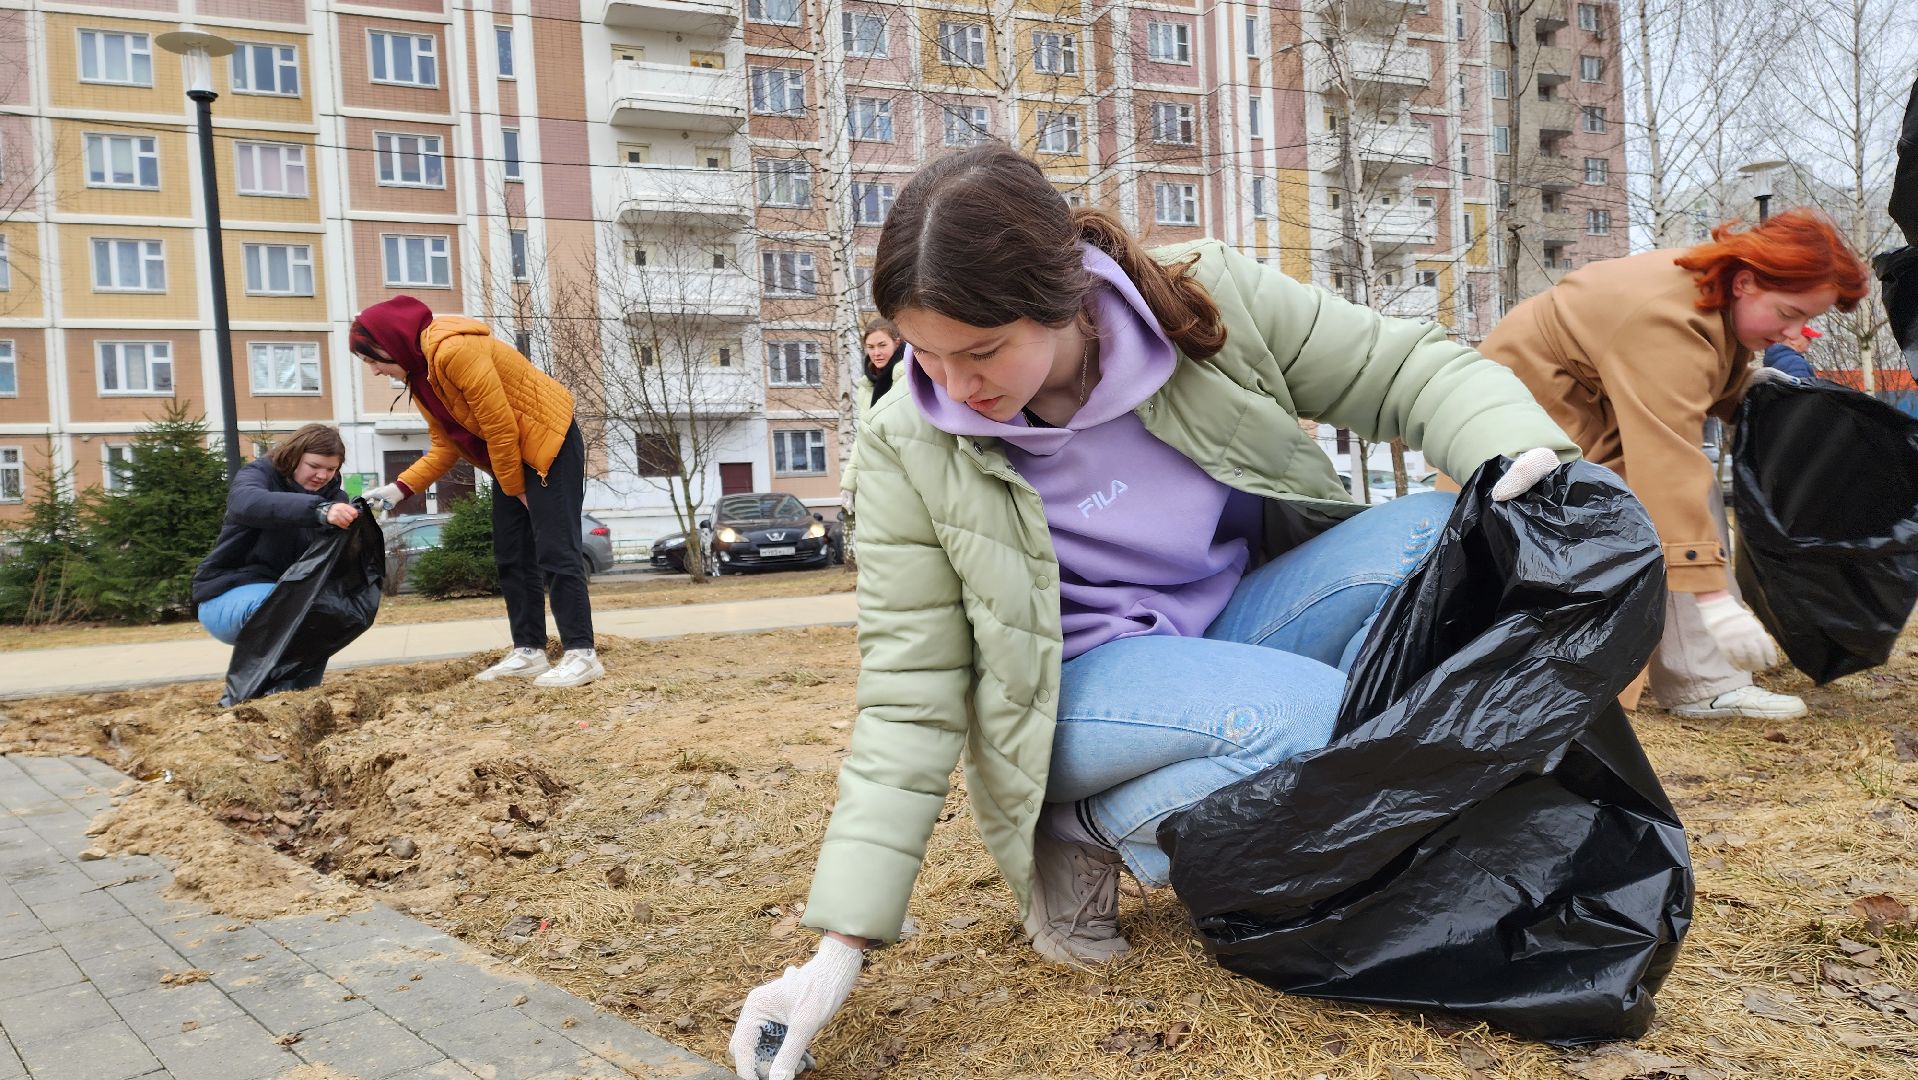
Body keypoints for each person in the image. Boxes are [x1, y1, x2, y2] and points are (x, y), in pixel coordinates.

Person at [727, 145, 1579, 1080]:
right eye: (923, 351)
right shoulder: (907, 442)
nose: (953, 385)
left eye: (980, 350)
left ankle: (1348, 827)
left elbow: (1405, 371)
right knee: (1306, 723)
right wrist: (838, 950)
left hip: (1230, 622)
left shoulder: (1202, 301)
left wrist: (1522, 456)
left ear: (1062, 297)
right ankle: (1085, 830)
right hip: (1072, 694)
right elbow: (908, 693)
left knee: (1431, 538)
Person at [1475, 209, 1870, 720]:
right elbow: (1668, 457)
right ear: (1747, 281)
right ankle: (1703, 682)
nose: (1796, 333)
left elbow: (1696, 378)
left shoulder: (1706, 294)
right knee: (1678, 493)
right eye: (1790, 313)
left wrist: (1749, 389)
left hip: (1564, 408)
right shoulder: (1665, 317)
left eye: (1807, 321)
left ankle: (1680, 671)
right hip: (1532, 425)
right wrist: (1713, 602)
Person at [352, 296, 603, 689]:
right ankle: (530, 651)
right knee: (511, 553)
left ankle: (581, 654)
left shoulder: (454, 350)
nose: (375, 371)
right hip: (510, 456)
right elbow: (445, 445)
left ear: (391, 343)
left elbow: (500, 426)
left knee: (555, 548)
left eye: (373, 360)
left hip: (546, 442)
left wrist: (516, 488)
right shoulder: (421, 377)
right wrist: (399, 489)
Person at [192, 424, 363, 685]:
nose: (322, 475)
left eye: (331, 469)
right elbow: (246, 503)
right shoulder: (258, 476)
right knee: (290, 610)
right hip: (226, 596)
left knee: (320, 617)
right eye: (314, 465)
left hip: (288, 598)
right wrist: (319, 511)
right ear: (294, 456)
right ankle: (253, 693)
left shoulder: (335, 498)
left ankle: (300, 700)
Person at [838, 318, 906, 531]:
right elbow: (864, 438)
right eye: (870, 347)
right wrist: (849, 483)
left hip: (905, 468)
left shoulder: (907, 373)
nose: (876, 352)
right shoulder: (867, 385)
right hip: (879, 471)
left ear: (897, 342)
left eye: (882, 345)